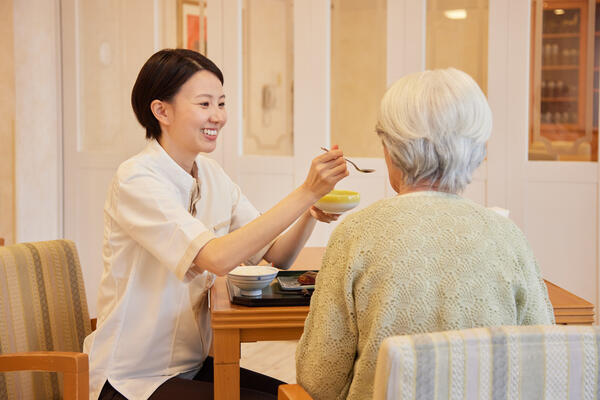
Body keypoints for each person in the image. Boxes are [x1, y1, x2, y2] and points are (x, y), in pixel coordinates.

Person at [83, 48, 348, 400]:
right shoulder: (137, 179)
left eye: (221, 104)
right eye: (204, 104)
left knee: (303, 395)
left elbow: (277, 256)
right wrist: (304, 191)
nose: (218, 117)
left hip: (190, 368)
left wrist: (308, 209)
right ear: (161, 110)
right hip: (132, 379)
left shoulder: (210, 174)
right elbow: (217, 258)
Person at [295, 68, 555, 400]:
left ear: (390, 151)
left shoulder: (356, 235)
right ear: (478, 154)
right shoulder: (507, 237)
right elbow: (541, 363)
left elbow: (319, 380)